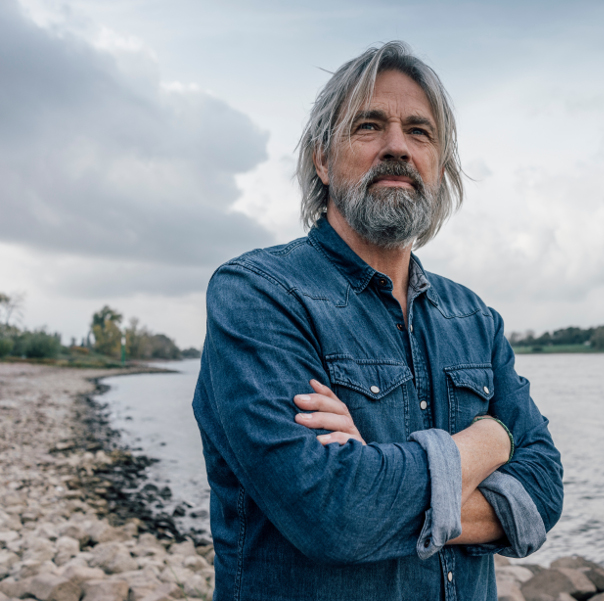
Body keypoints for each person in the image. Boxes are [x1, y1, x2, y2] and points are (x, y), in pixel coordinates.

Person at [193, 41, 563, 601]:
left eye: (419, 131)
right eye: (368, 126)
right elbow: (332, 512)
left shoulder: (474, 317)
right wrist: (491, 439)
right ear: (322, 158)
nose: (397, 146)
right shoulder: (259, 295)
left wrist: (380, 483)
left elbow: (546, 491)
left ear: (441, 164)